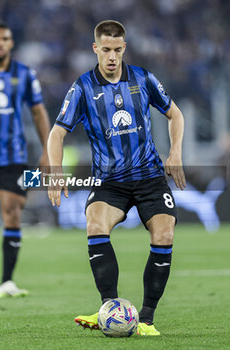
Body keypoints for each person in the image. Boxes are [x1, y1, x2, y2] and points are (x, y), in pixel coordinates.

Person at [47, 20, 186, 336]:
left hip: (150, 176)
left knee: (164, 234)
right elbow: (57, 134)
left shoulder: (143, 78)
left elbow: (175, 114)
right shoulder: (83, 87)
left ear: (125, 48)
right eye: (105, 49)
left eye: (117, 49)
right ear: (95, 48)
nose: (111, 56)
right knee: (96, 225)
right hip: (109, 181)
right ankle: (110, 310)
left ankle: (147, 320)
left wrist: (176, 152)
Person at [0, 23, 50, 297]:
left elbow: (39, 112)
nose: (1, 44)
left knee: (13, 212)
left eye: (5, 38)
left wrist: (47, 149)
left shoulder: (24, 73)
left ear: (12, 42)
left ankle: (6, 281)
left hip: (12, 154)